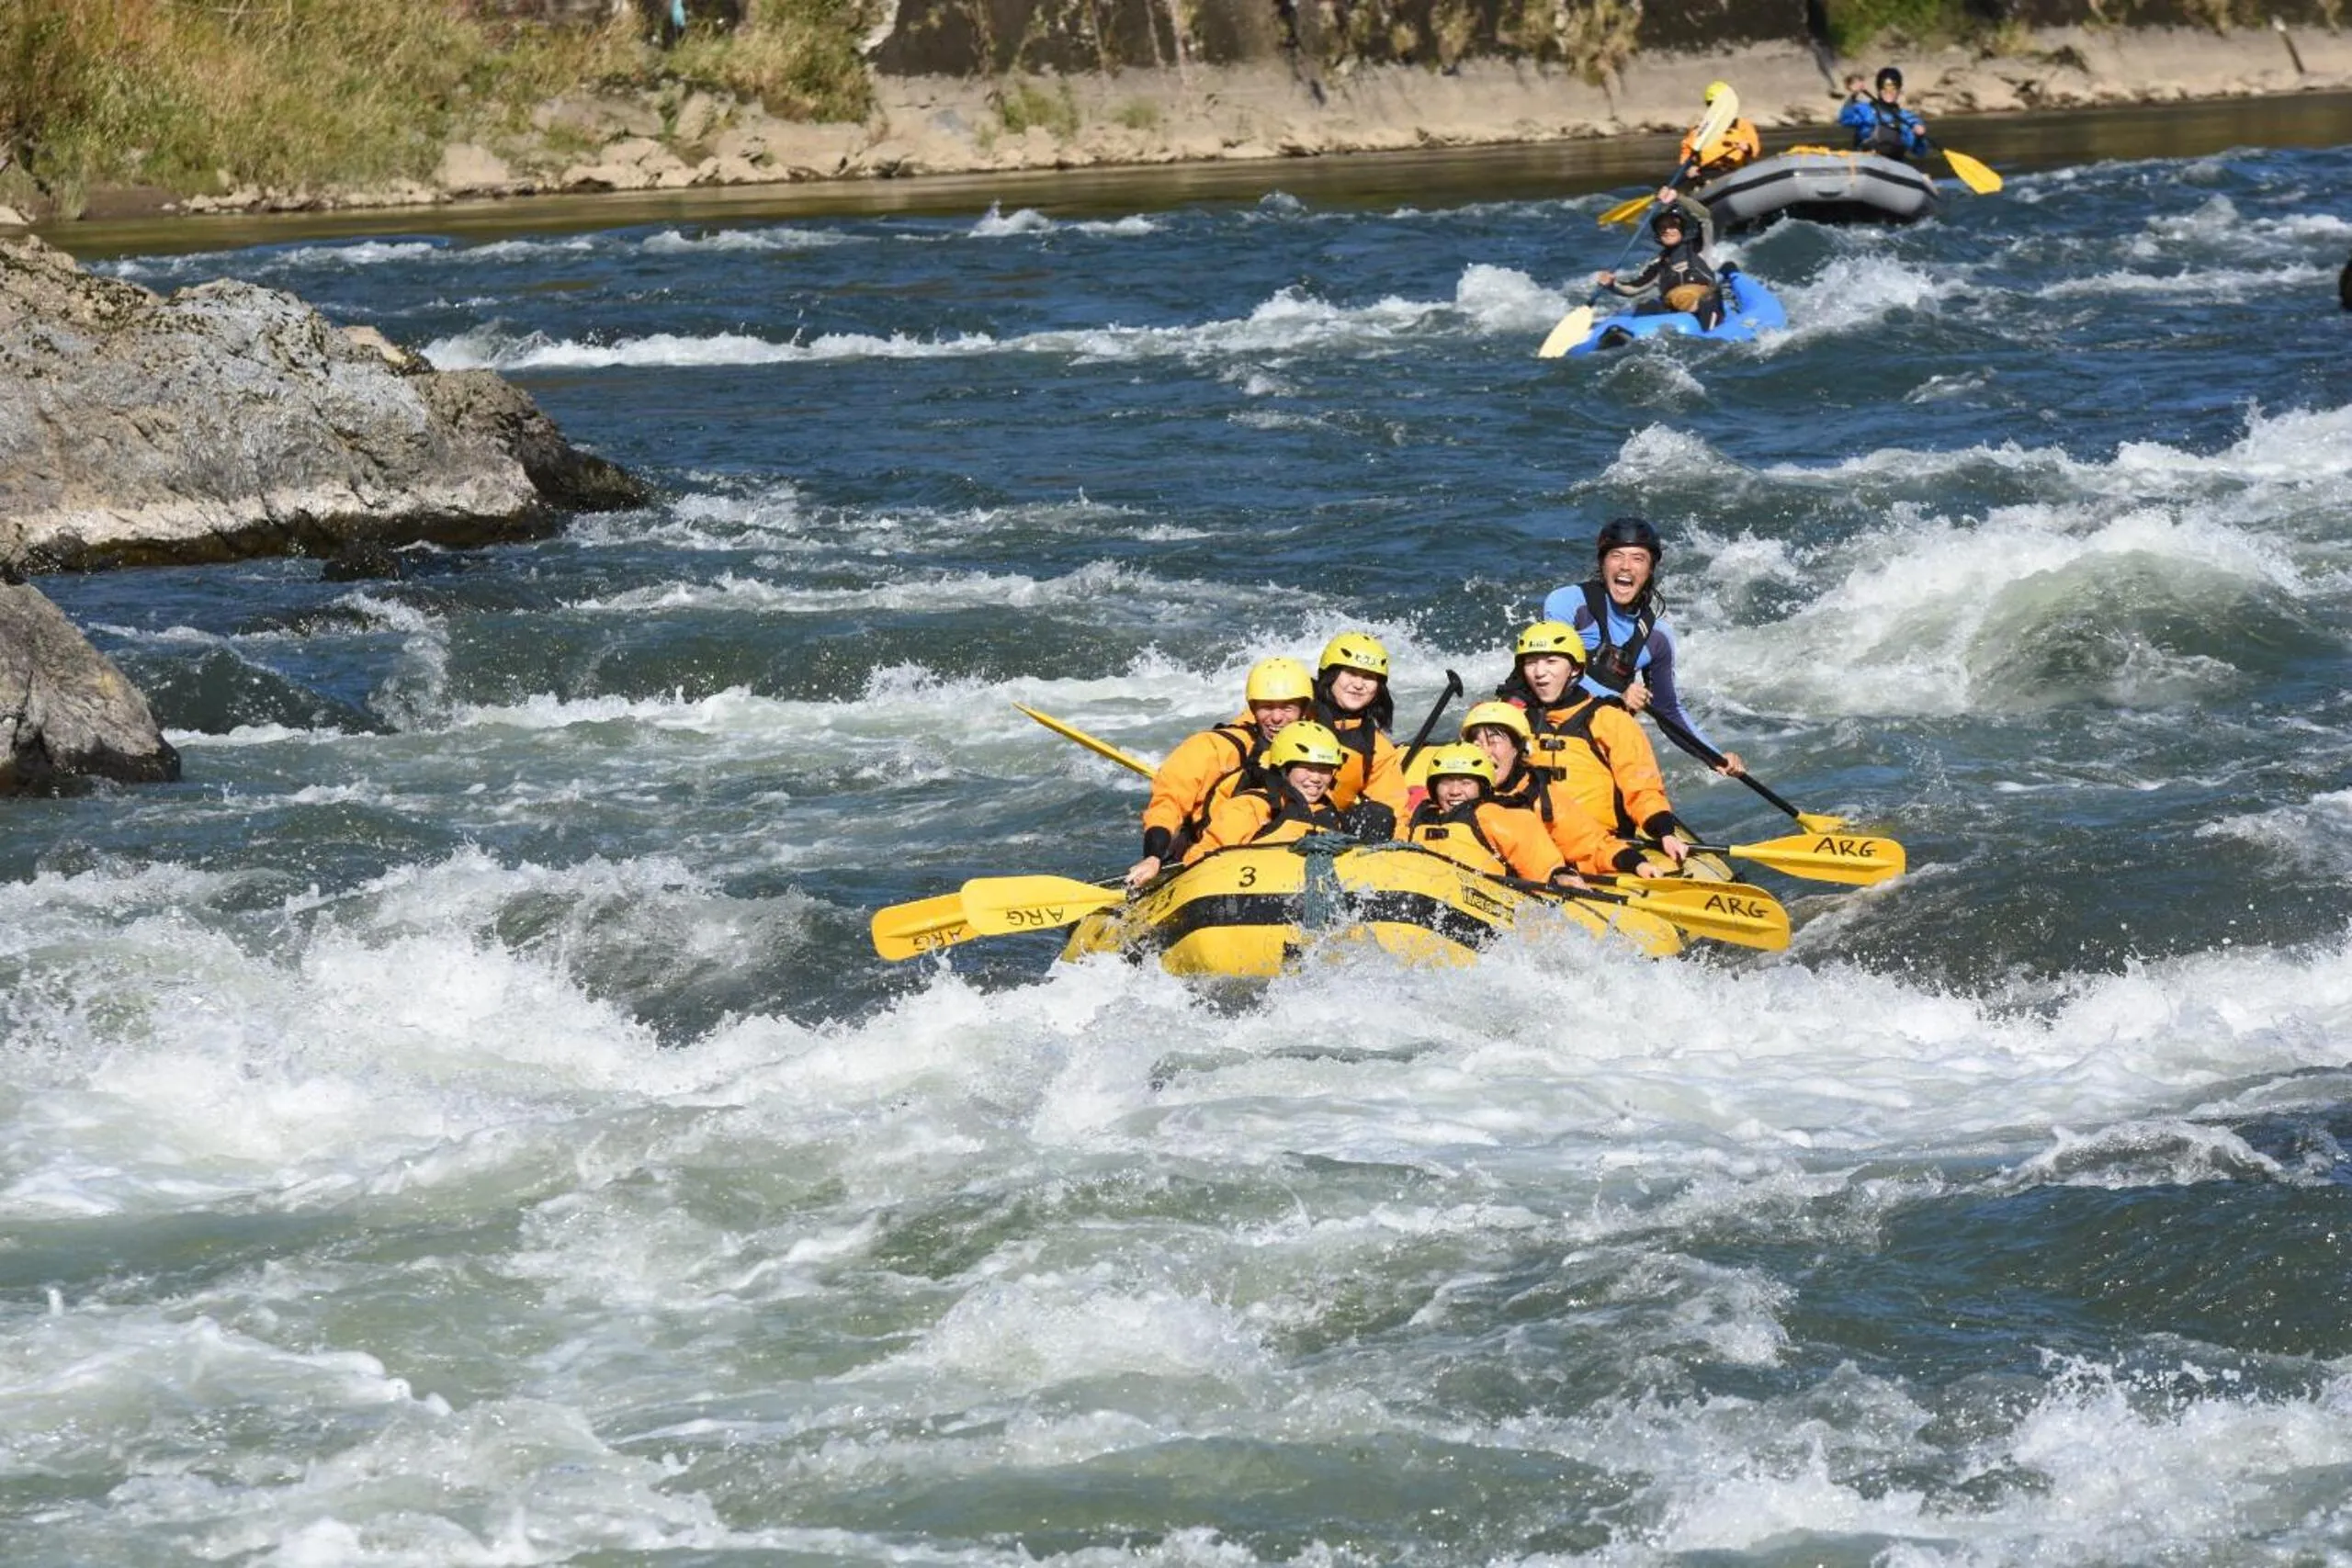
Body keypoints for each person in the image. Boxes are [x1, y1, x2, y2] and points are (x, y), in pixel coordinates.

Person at [1542, 516, 1746, 777]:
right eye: (1616, 556)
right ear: (1602, 563)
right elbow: (1549, 670)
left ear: (1650, 569)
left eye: (1638, 558)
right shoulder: (1568, 602)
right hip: (1547, 723)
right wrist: (1616, 697)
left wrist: (1713, 756)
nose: (1626, 566)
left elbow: (1668, 709)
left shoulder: (1658, 637)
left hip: (1596, 738)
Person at [1495, 621, 1697, 865]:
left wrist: (1663, 831)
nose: (1539, 672)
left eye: (1551, 662)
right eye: (1531, 662)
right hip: (1529, 843)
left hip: (1599, 845)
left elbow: (1642, 785)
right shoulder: (1511, 720)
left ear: (1574, 669)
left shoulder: (1610, 719)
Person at [1127, 656, 1314, 889]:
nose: (1276, 718)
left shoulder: (1319, 751)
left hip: (1282, 856)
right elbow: (1168, 802)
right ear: (1253, 708)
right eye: (1266, 707)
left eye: (1287, 708)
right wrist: (1153, 855)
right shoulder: (1211, 748)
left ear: (1304, 709)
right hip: (1205, 857)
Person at [1457, 701, 1666, 881]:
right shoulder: (1453, 792)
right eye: (1476, 744)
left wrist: (1635, 863)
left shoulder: (1539, 797)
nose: (1484, 752)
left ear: (1518, 748)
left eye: (1493, 742)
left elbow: (1591, 845)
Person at [1403, 745, 1585, 886]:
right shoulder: (1421, 817)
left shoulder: (1495, 816)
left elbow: (1543, 867)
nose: (1454, 791)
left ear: (1482, 787)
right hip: (1431, 895)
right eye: (1445, 783)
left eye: (1466, 783)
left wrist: (1558, 875)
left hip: (1487, 903)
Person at [1184, 720, 1353, 860]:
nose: (1316, 778)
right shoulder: (1249, 807)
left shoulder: (1330, 811)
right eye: (1307, 768)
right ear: (1285, 768)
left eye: (1325, 770)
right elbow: (1198, 859)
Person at [1311, 631, 1408, 818]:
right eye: (1351, 673)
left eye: (1369, 677)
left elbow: (1393, 811)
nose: (1358, 684)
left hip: (1328, 829)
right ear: (1331, 674)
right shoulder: (1292, 709)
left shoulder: (1378, 748)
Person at [1595, 189, 1724, 330]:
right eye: (1662, 228)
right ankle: (1627, 336)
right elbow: (1633, 289)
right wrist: (1612, 284)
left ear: (1681, 229)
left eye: (1673, 226)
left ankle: (1709, 333)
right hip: (1675, 309)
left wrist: (1679, 197)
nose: (1668, 230)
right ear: (1658, 235)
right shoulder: (1658, 264)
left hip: (1704, 306)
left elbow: (1704, 217)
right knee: (1647, 305)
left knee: (1709, 299)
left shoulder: (1699, 247)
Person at [1677, 81, 1762, 186]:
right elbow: (1686, 153)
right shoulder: (1699, 130)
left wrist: (1747, 148)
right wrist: (1689, 168)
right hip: (1707, 174)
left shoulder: (1742, 125)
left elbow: (1754, 149)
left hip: (1736, 173)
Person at [1839, 66, 1929, 162]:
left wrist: (1919, 138)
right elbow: (1845, 120)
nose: (1889, 92)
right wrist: (1853, 96)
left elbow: (1920, 152)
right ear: (1879, 90)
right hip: (1867, 161)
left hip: (1895, 166)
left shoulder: (1908, 119)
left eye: (1893, 89)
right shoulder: (1864, 110)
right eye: (1885, 88)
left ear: (1899, 91)